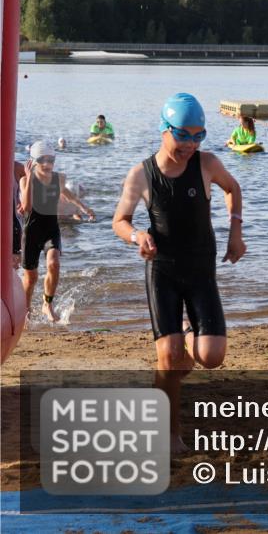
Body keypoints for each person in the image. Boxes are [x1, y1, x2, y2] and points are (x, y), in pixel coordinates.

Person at [112, 93, 245, 453]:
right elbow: (119, 221)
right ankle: (170, 435)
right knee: (168, 358)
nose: (190, 144)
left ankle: (188, 337)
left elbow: (233, 188)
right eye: (183, 135)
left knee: (212, 357)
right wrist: (137, 235)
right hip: (163, 270)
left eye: (198, 135)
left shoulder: (207, 164)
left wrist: (236, 231)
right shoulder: (142, 174)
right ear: (164, 129)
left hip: (201, 268)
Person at [20, 141, 95, 321]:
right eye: (42, 159)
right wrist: (29, 178)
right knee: (31, 278)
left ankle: (47, 304)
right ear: (34, 161)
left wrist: (84, 208)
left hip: (51, 229)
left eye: (51, 159)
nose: (47, 163)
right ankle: (26, 308)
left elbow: (67, 194)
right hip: (31, 231)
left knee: (54, 264)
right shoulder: (24, 180)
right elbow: (27, 207)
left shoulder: (58, 178)